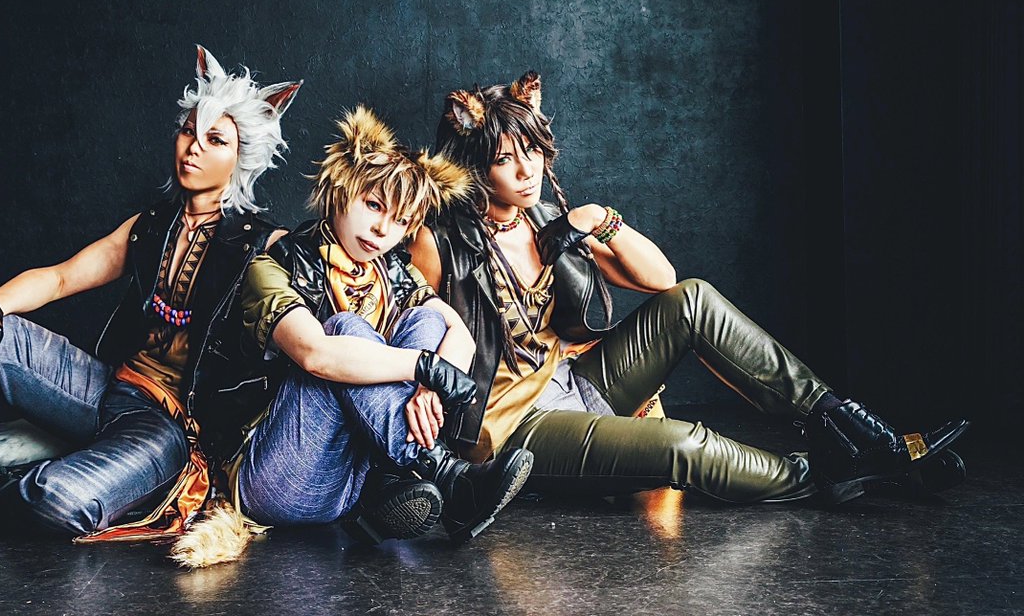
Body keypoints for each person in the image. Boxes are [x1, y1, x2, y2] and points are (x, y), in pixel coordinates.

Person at [407, 71, 970, 506]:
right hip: (512, 427)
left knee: (693, 300)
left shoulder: (545, 220)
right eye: (505, 159)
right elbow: (409, 325)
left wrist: (598, 218)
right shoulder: (439, 240)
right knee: (681, 445)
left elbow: (663, 281)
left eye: (532, 152)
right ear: (476, 167)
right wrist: (424, 395)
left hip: (575, 384)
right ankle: (826, 475)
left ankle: (851, 428)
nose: (526, 170)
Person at [0, 45, 300, 542]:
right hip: (106, 389)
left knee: (60, 500)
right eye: (188, 131)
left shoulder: (263, 246)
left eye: (215, 140)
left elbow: (306, 334)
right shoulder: (150, 226)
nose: (193, 147)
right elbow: (60, 278)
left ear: (242, 157)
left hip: (166, 428)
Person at [186, 105, 533, 561]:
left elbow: (460, 334)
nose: (382, 230)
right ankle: (445, 474)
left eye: (402, 221)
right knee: (344, 329)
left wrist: (428, 388)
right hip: (275, 477)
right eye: (373, 205)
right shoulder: (273, 265)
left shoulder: (392, 271)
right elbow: (314, 354)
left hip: (347, 479)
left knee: (427, 321)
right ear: (341, 190)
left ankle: (391, 483)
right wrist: (422, 366)